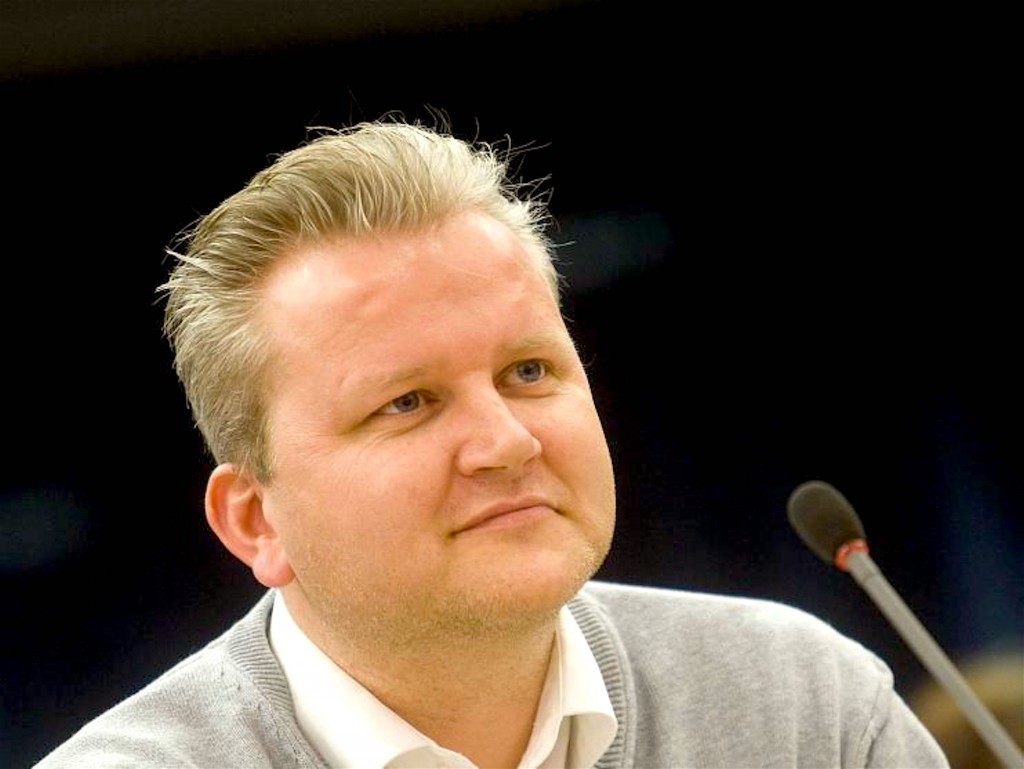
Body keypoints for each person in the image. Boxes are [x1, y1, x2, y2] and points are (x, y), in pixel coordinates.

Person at [33, 117, 949, 768]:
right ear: (255, 521)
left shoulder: (800, 704)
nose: (507, 443)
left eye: (529, 371)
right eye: (407, 402)